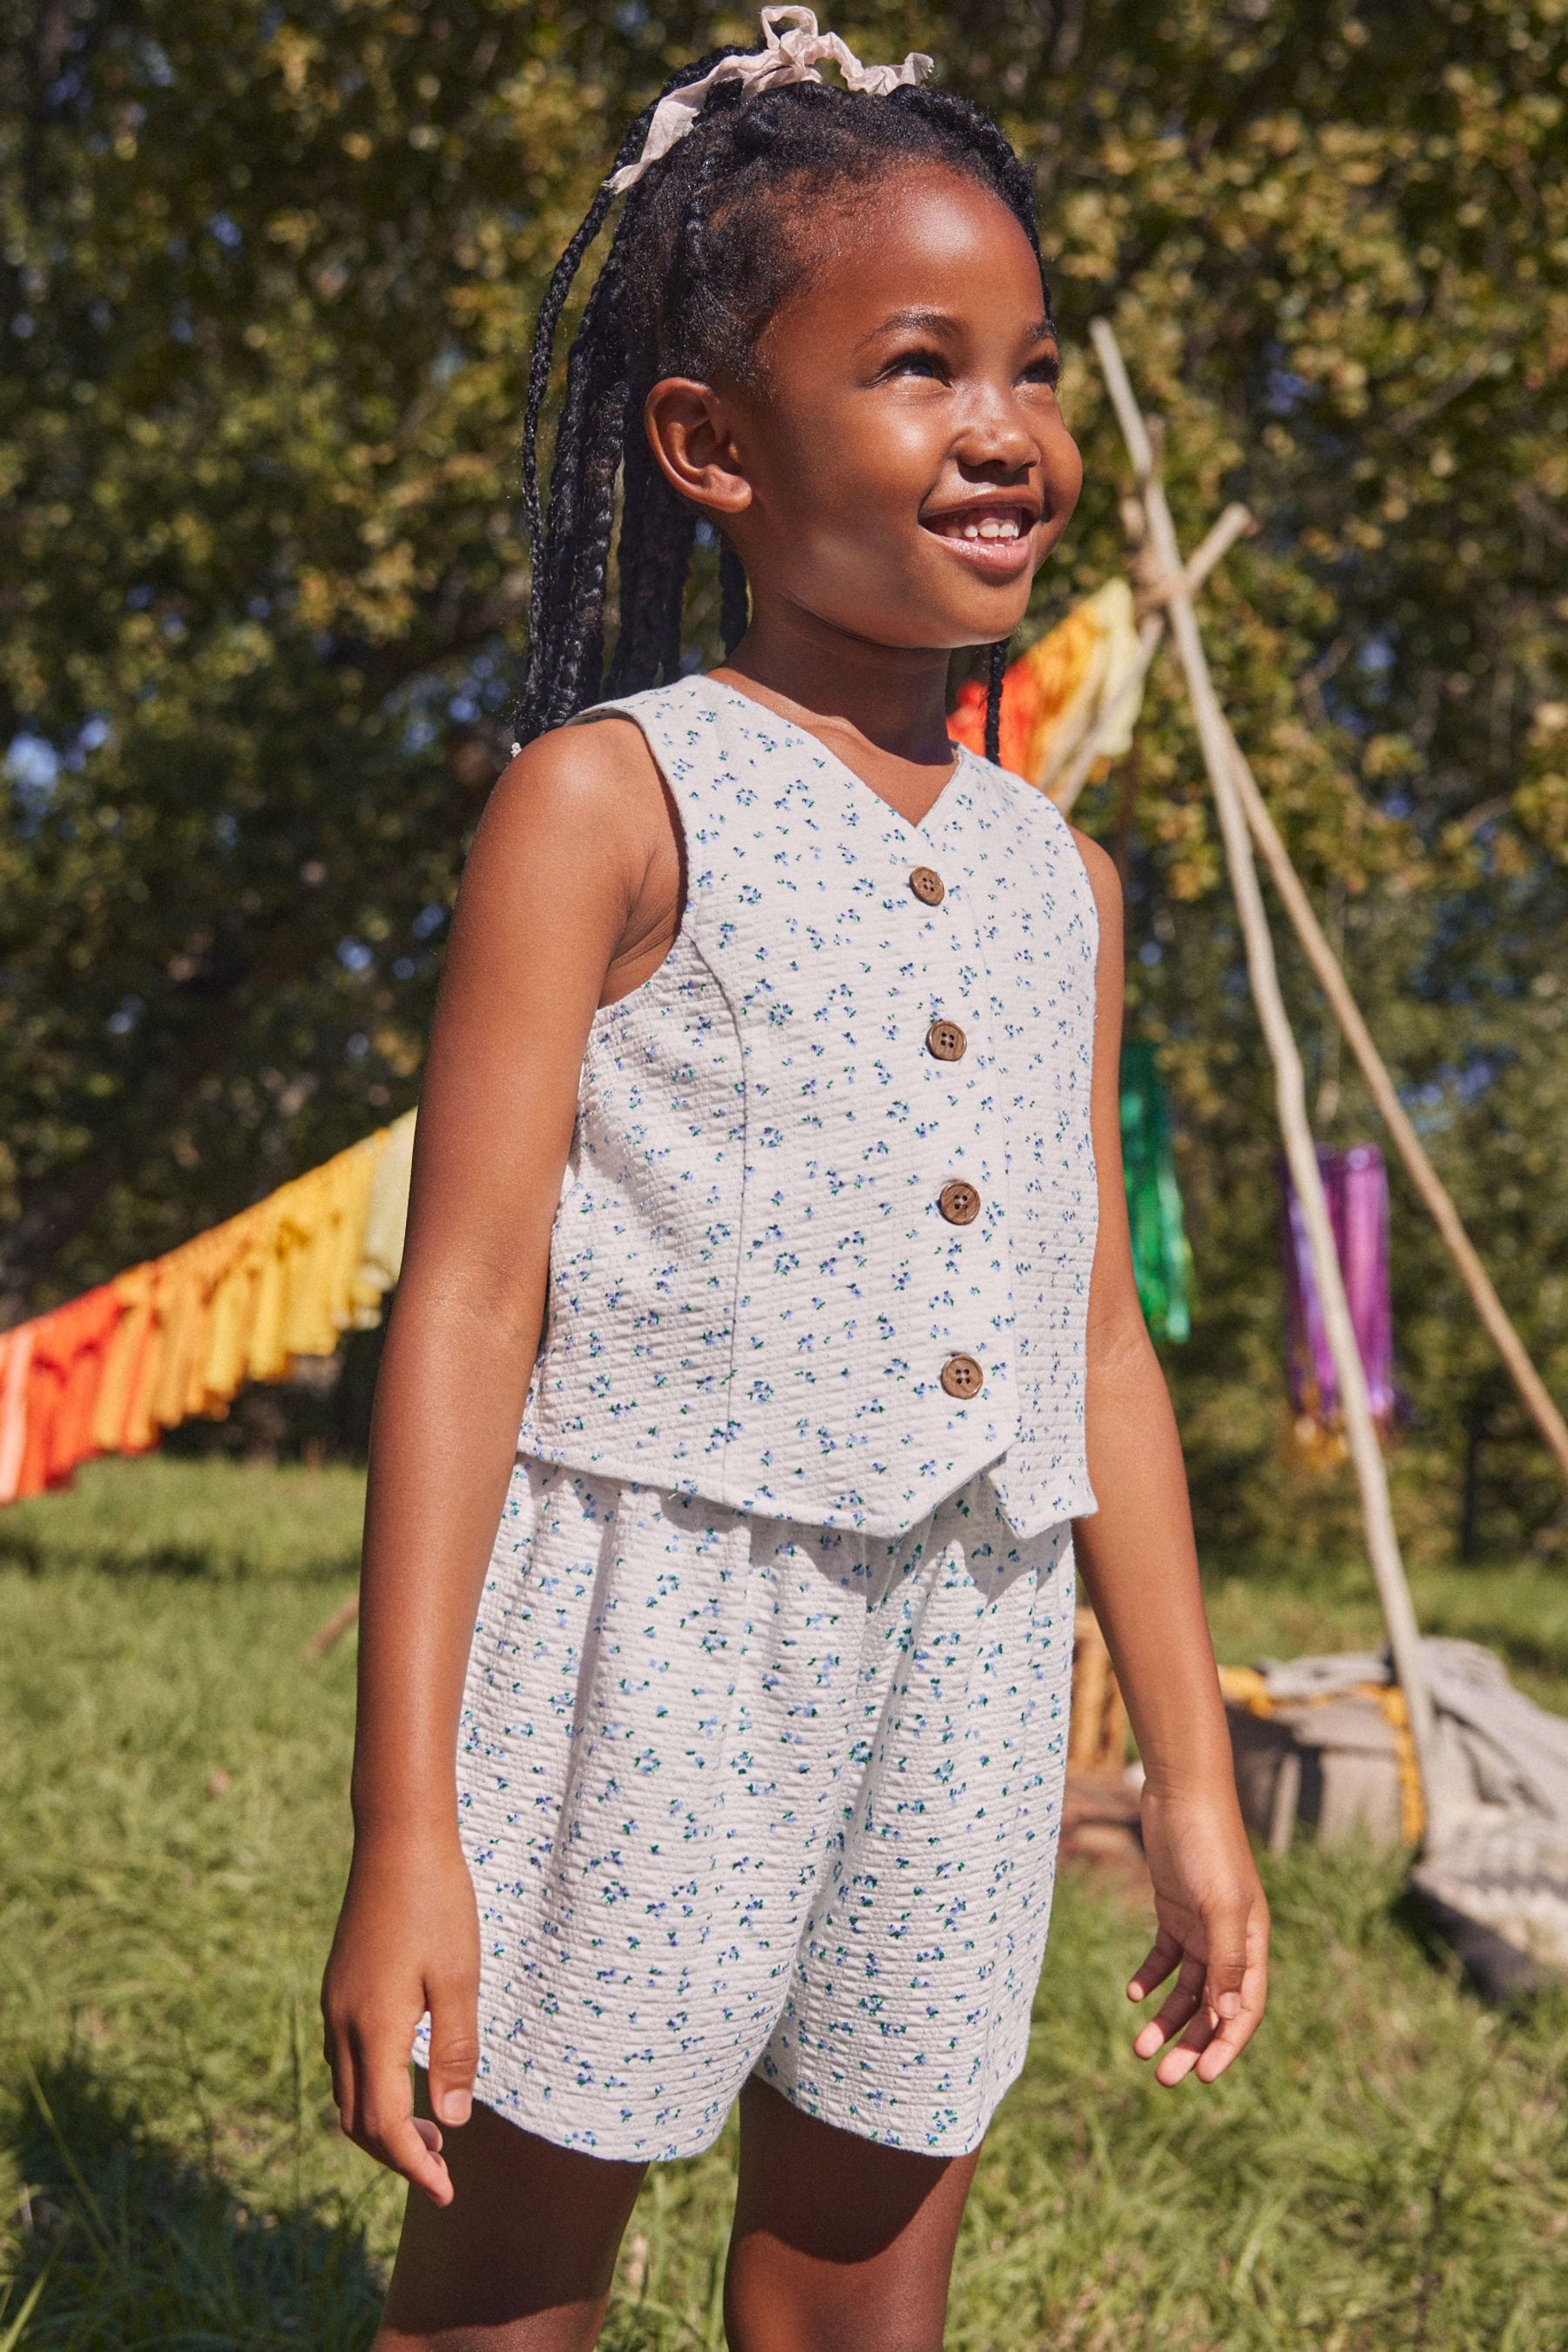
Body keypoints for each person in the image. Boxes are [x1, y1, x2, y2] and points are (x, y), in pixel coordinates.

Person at [321, 12, 1270, 2348]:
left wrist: (1188, 1763)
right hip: (652, 1651)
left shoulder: (1069, 880)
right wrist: (402, 1823)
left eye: (1031, 370)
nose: (1005, 434)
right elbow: (463, 1305)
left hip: (964, 1663)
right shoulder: (608, 799)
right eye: (921, 367)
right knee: (515, 2263)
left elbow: (1093, 1341)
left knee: (865, 2266)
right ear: (712, 447)